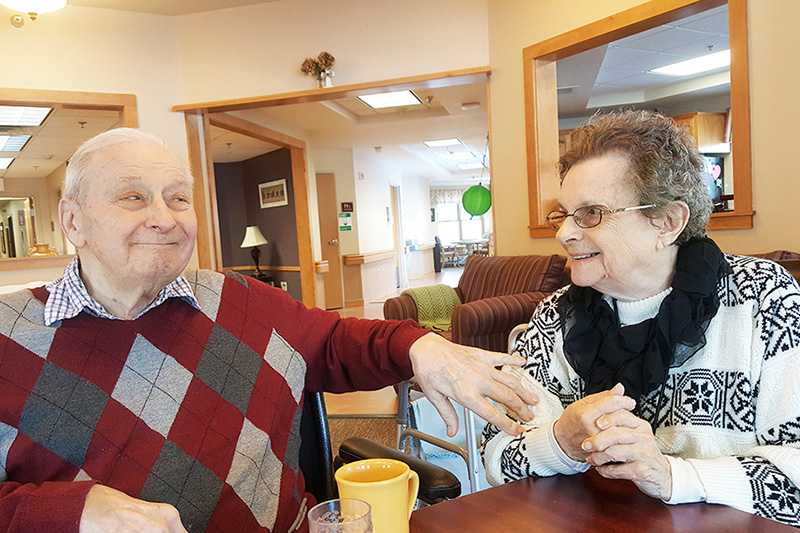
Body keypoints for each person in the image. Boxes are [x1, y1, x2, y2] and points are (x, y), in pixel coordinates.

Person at [0, 128, 539, 533]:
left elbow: (335, 341)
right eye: (133, 197)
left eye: (178, 197)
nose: (164, 217)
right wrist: (70, 509)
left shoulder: (248, 301)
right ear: (73, 221)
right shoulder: (7, 337)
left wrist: (421, 344)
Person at [481, 110, 800, 527]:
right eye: (562, 214)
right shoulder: (555, 318)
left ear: (667, 222)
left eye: (591, 213)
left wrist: (671, 475)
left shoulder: (762, 297)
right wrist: (562, 442)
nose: (563, 234)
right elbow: (494, 455)